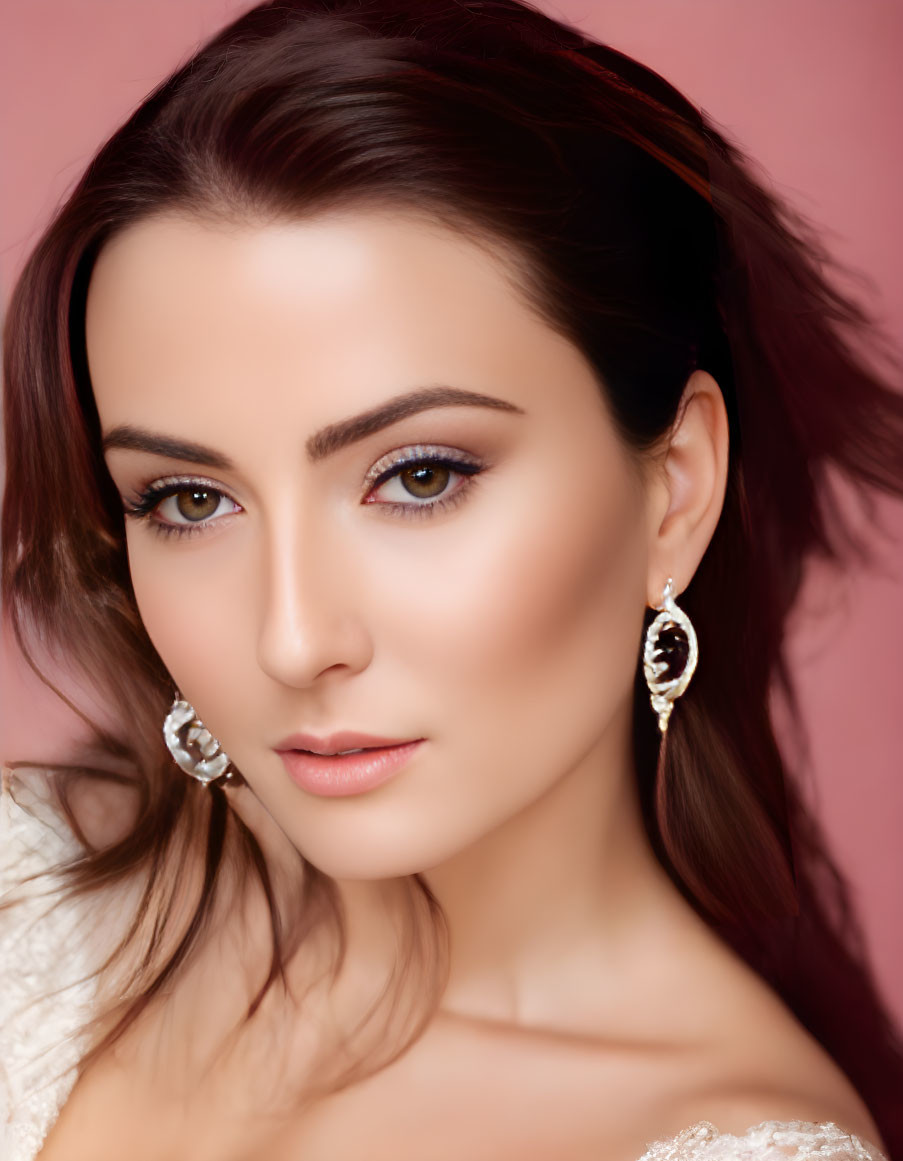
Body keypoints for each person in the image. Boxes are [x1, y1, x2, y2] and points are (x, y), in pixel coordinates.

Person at [1, 1, 902, 1158]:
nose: (291, 639)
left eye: (419, 477)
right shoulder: (27, 894)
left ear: (673, 492)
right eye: (189, 500)